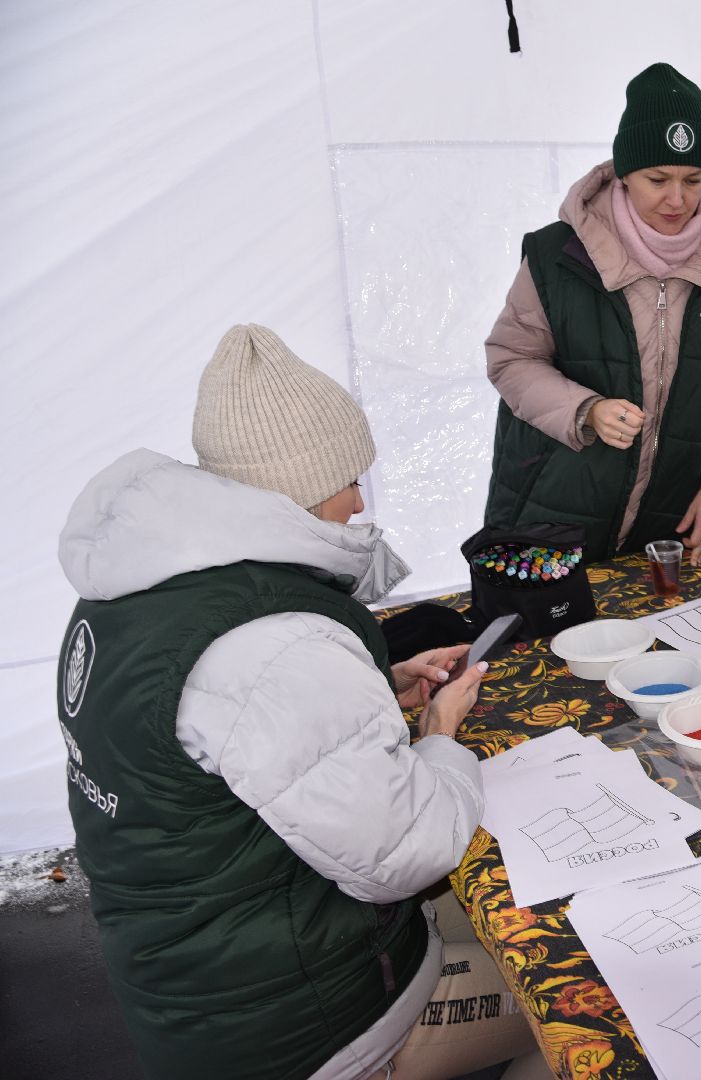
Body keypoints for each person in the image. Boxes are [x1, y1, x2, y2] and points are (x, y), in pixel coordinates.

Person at [56, 325, 542, 1080]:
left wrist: (378, 689)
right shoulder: (275, 645)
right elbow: (405, 852)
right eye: (349, 478)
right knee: (579, 1005)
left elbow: (229, 745)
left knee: (497, 919)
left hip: (192, 989)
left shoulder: (134, 589)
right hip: (305, 1028)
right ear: (299, 484)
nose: (357, 504)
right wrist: (440, 732)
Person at [484, 61, 701, 566]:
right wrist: (584, 409)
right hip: (549, 513)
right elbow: (510, 359)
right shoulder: (557, 257)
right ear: (625, 173)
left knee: (669, 645)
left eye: (693, 179)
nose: (676, 199)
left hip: (669, 527)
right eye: (657, 178)